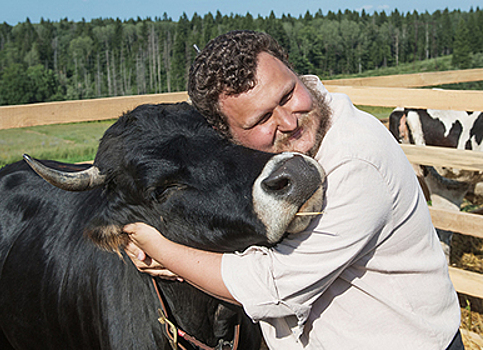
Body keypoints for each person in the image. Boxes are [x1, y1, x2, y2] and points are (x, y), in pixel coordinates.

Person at [124, 30, 463, 349]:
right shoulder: (263, 160)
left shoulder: (355, 160)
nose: (289, 122)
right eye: (261, 119)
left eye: (288, 94)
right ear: (221, 132)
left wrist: (161, 250)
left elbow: (273, 288)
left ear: (295, 71)